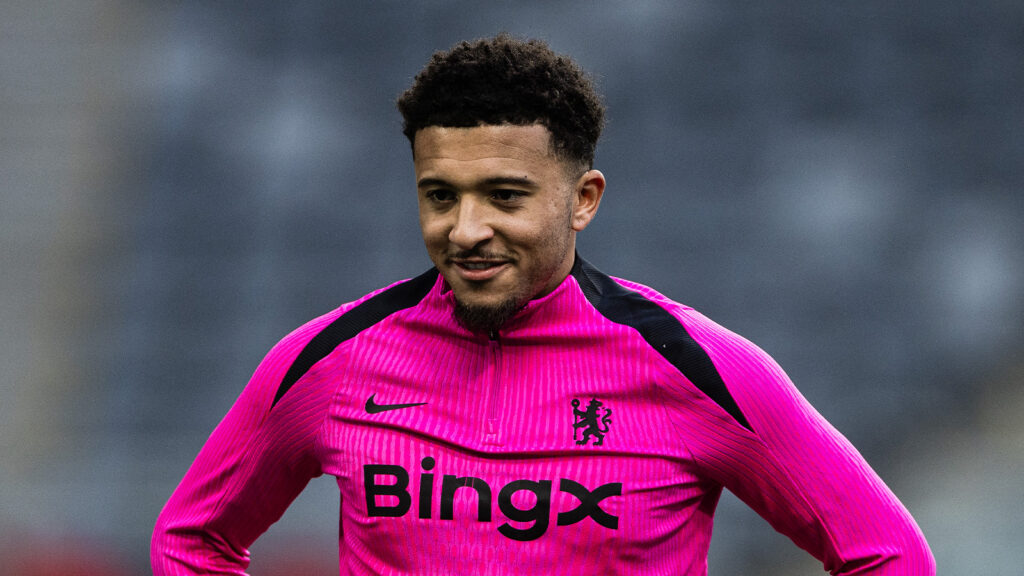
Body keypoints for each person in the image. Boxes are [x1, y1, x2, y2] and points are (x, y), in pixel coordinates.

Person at [152, 34, 935, 575]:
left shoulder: (699, 368)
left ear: (583, 199)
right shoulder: (327, 363)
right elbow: (192, 540)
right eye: (440, 195)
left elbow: (890, 556)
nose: (466, 230)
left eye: (504, 196)